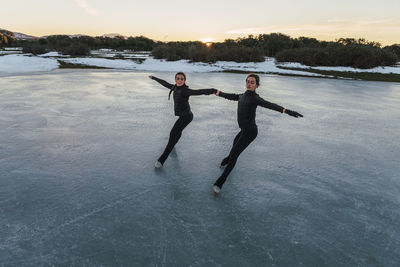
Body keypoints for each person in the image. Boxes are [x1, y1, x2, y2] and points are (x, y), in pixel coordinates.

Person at [212, 73, 303, 195]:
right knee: (233, 148)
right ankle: (226, 160)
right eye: (248, 81)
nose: (249, 84)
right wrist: (218, 92)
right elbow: (230, 96)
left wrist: (286, 111)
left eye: (252, 82)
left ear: (257, 85)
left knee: (234, 155)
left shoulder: (255, 98)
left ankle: (220, 183)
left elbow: (270, 105)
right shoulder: (242, 96)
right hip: (243, 130)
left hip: (250, 132)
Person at [149, 72, 217, 168]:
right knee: (178, 131)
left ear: (184, 80)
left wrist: (213, 90)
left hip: (187, 117)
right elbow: (164, 83)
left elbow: (199, 91)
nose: (179, 80)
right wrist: (154, 78)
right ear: (175, 80)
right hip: (183, 116)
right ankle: (173, 144)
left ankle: (162, 159)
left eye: (182, 79)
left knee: (173, 133)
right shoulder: (174, 87)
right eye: (178, 78)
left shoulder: (185, 91)